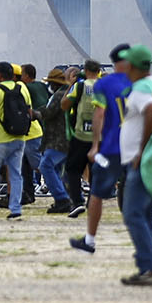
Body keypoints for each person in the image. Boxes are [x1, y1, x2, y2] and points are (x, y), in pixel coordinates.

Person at [116, 44, 152, 285]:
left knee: (133, 214)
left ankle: (149, 267)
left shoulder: (140, 88)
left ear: (134, 66)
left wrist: (140, 148)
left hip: (141, 161)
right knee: (147, 214)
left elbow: (151, 113)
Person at [71, 47, 134, 256]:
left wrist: (95, 145)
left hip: (112, 146)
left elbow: (99, 114)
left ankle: (90, 240)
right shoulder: (140, 83)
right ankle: (150, 221)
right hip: (135, 144)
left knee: (97, 193)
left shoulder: (104, 84)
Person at [0, 62, 39, 219]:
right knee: (15, 173)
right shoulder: (22, 88)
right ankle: (15, 209)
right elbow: (29, 112)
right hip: (19, 138)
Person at [62, 60, 100, 217]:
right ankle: (93, 201)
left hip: (81, 134)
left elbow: (64, 105)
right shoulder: (104, 86)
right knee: (95, 171)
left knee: (73, 169)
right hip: (100, 135)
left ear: (85, 70)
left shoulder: (80, 86)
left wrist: (70, 85)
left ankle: (77, 201)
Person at [34, 69, 73, 215]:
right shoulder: (68, 94)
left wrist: (35, 114)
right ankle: (73, 198)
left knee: (46, 166)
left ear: (53, 83)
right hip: (68, 138)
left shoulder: (58, 96)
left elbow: (49, 114)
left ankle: (62, 199)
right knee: (61, 170)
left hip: (58, 139)